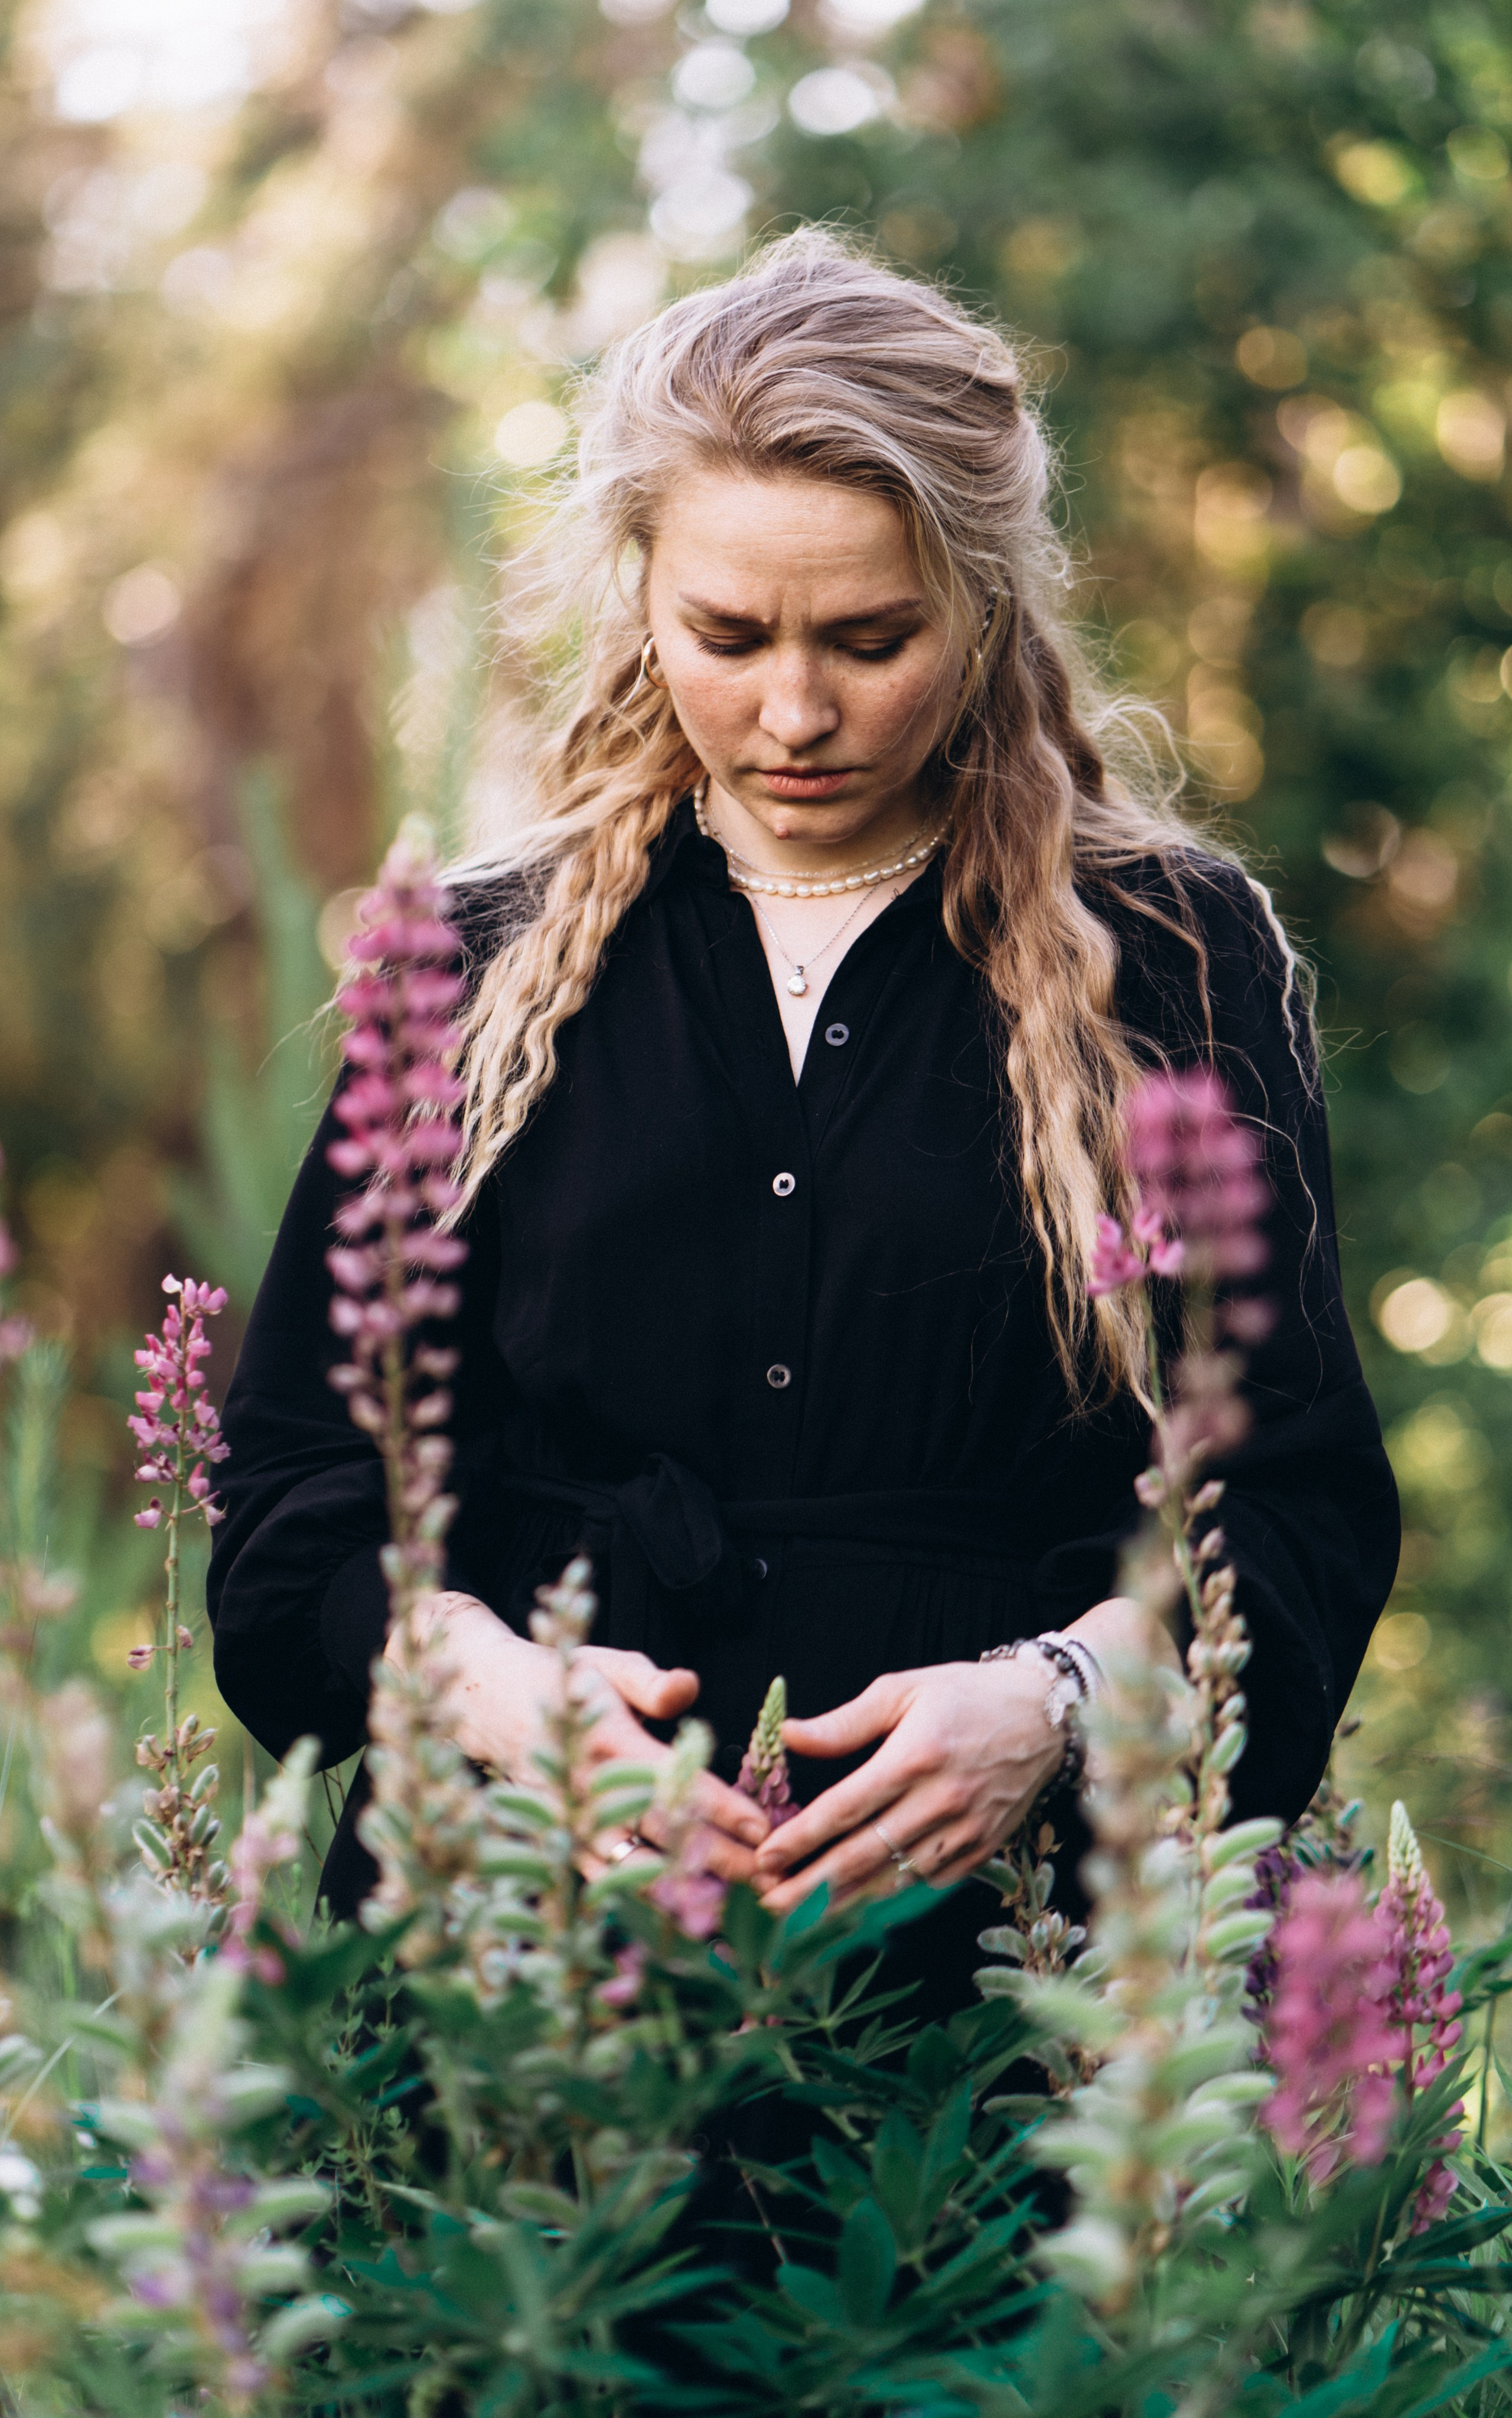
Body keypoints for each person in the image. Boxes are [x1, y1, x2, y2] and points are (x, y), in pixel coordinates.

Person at [207, 232, 1399, 2025]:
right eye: (726, 634)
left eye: (871, 639)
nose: (793, 712)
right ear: (641, 591)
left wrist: (1062, 1702)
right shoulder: (473, 961)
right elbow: (292, 1500)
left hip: (1021, 2030)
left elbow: (1293, 1511)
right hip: (518, 2018)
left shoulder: (1171, 956)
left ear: (987, 605)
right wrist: (467, 1677)